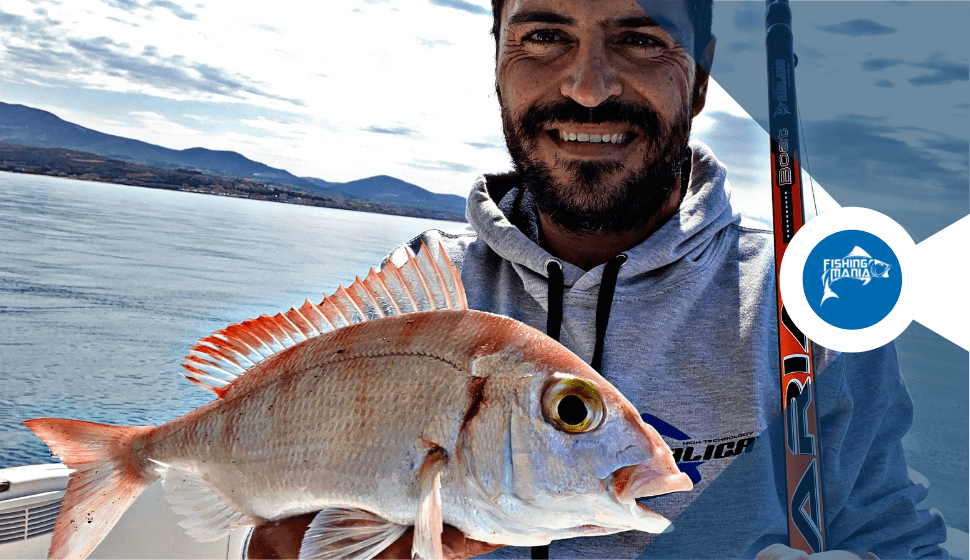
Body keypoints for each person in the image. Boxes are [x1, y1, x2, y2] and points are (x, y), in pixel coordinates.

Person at [248, 0, 948, 557]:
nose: (587, 88)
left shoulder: (808, 300)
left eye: (640, 40)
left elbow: (896, 536)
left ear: (702, 76)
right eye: (544, 36)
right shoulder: (422, 287)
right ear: (496, 59)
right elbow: (303, 524)